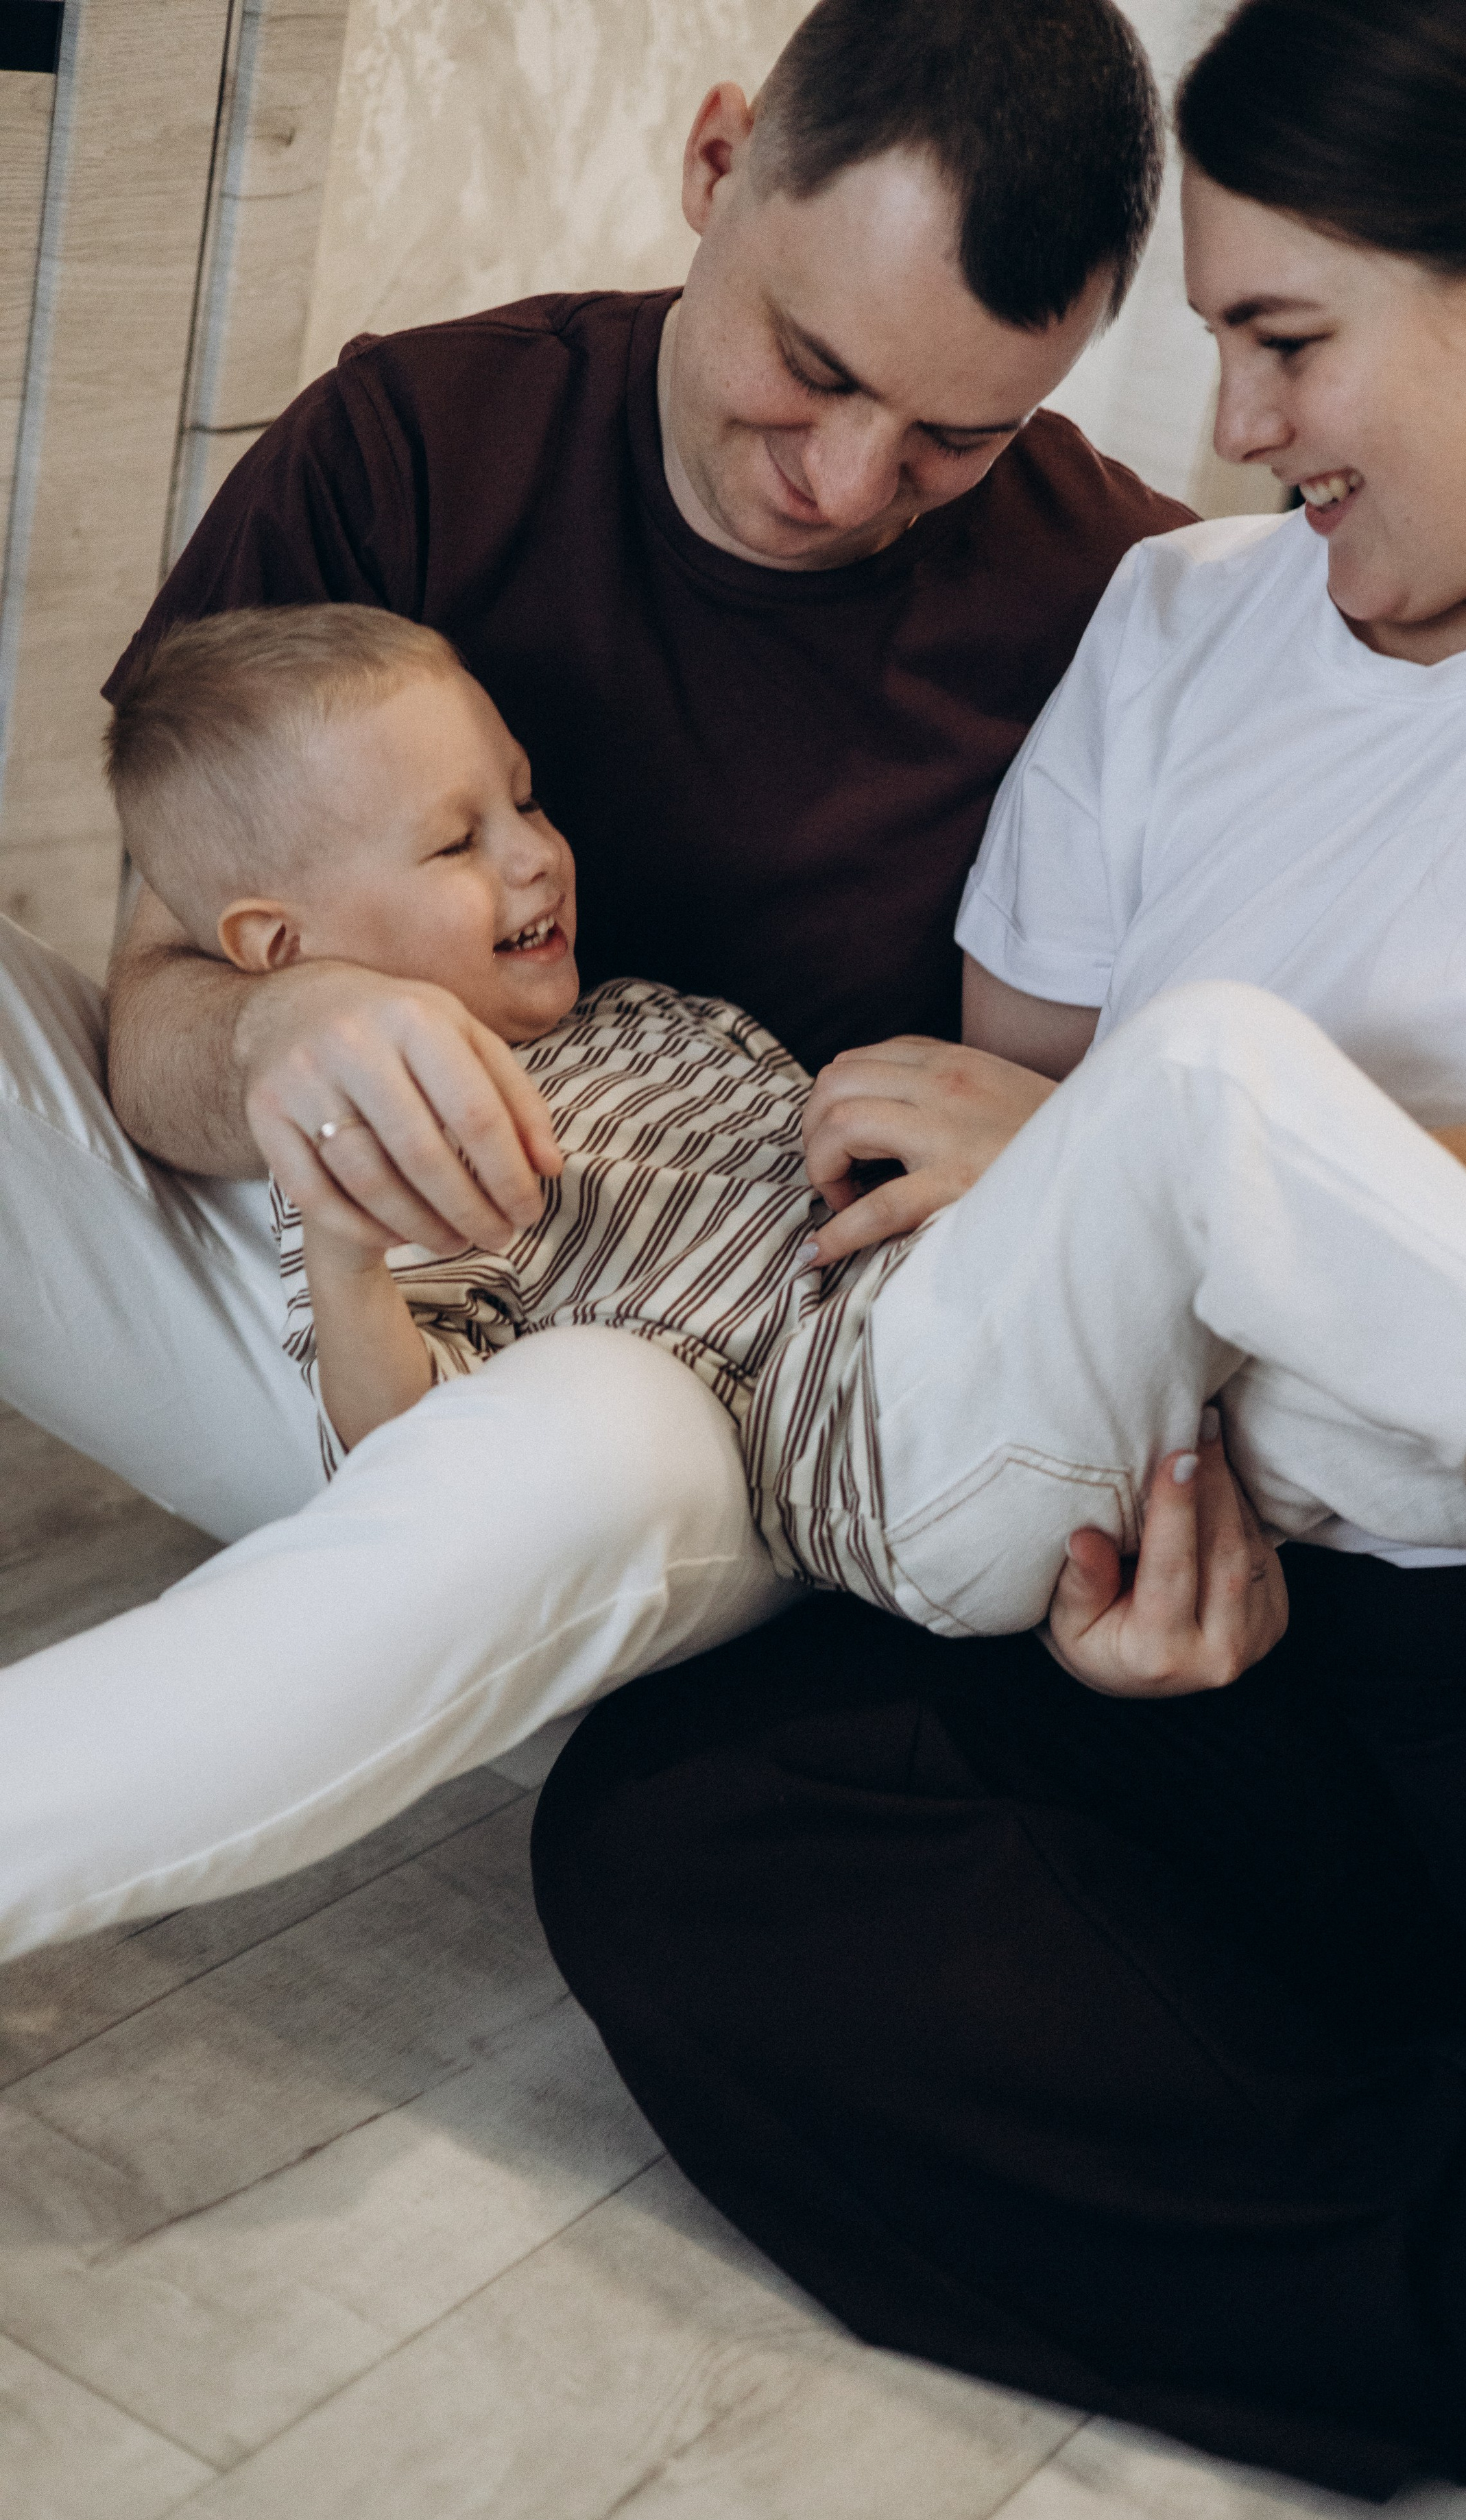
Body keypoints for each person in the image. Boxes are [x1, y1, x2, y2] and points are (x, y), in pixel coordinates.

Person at [523, 0, 1466, 2520]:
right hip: (1228, 1607)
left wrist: (1134, 1152)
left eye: (1290, 342)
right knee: (683, 1843)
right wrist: (1109, 1510)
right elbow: (990, 1243)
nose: (1244, 433)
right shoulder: (1188, 625)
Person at [0, 0, 1220, 1933]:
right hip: (286, 1275)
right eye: (807, 369)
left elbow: (1225, 1106)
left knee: (577, 1444)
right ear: (719, 163)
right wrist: (278, 1035)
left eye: (953, 441)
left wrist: (1057, 1152)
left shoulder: (1129, 605)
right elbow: (156, 994)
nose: (840, 477)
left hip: (682, 1390)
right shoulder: (412, 438)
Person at [101, 601, 1466, 1667]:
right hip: (903, 1448)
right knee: (1203, 1069)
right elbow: (401, 1468)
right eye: (456, 842)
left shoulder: (640, 1021)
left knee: (1398, 1400)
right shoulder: (398, 1161)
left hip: (1036, 1372)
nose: (535, 858)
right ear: (279, 946)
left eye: (524, 799)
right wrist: (332, 1234)